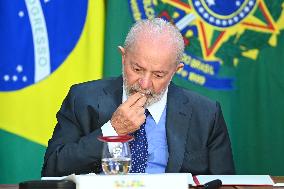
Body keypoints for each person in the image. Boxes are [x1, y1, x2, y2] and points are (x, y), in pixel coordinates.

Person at [41, 18, 235, 176]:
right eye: (137, 69)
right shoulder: (83, 99)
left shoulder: (206, 113)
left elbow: (223, 182)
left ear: (176, 70)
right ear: (123, 57)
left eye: (158, 75)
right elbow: (52, 169)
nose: (144, 84)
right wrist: (113, 130)